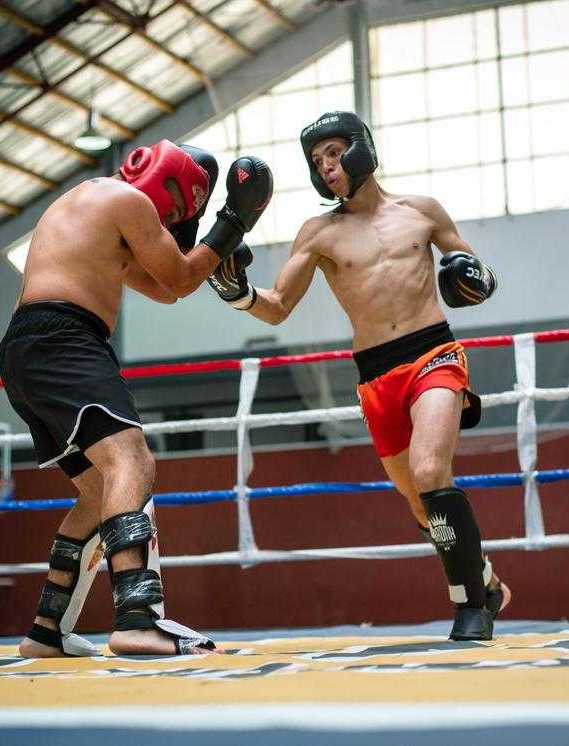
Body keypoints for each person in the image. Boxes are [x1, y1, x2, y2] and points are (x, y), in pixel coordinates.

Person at [207, 111, 509, 640]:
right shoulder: (319, 233)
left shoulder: (422, 211)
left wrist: (476, 276)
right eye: (316, 159)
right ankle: (485, 580)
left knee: (431, 469)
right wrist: (238, 292)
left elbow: (472, 268)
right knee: (419, 500)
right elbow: (277, 307)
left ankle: (469, 608)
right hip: (375, 374)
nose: (326, 166)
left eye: (333, 151)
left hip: (434, 354)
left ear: (361, 149)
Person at [0, 139, 273, 657]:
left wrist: (198, 236)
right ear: (171, 191)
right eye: (181, 210)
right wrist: (233, 220)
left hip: (23, 349)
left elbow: (167, 289)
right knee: (133, 463)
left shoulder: (92, 207)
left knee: (99, 491)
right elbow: (181, 276)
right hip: (65, 339)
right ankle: (138, 620)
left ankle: (46, 630)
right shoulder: (129, 203)